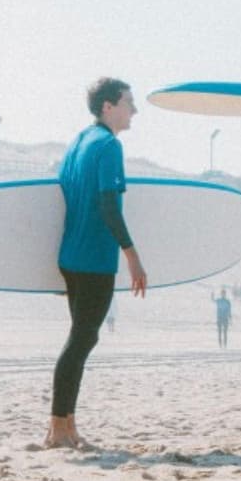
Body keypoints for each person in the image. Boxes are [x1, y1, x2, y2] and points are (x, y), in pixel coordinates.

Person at [47, 77, 146, 450]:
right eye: (128, 102)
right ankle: (58, 428)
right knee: (81, 340)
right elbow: (108, 205)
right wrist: (133, 256)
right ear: (108, 106)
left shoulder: (78, 143)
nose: (133, 110)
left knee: (81, 338)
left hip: (71, 256)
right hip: (94, 259)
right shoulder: (108, 146)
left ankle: (67, 426)